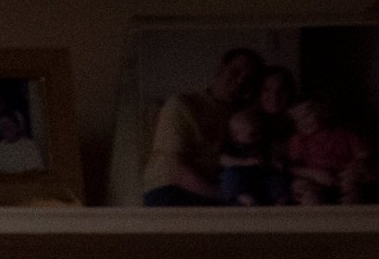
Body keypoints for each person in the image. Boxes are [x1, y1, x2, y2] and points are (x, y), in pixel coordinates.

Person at [142, 45, 264, 203]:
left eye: (248, 79)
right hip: (171, 189)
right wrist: (227, 197)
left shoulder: (243, 117)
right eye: (236, 71)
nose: (241, 80)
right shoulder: (183, 104)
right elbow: (177, 170)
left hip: (219, 189)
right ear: (222, 68)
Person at [285, 93, 371, 205]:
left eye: (307, 115)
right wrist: (314, 174)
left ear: (323, 111)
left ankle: (350, 218)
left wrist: (351, 169)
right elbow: (293, 167)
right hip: (316, 179)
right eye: (298, 119)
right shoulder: (298, 140)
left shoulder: (344, 134)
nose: (303, 122)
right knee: (305, 191)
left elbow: (364, 156)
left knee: (354, 185)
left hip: (343, 178)